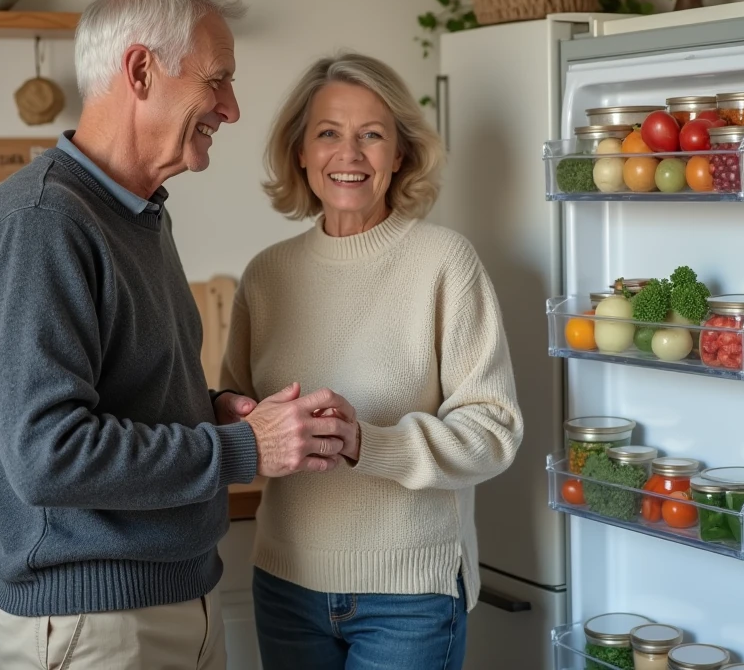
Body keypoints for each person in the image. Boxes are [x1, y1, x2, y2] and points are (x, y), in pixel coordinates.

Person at [0, 0, 359, 670]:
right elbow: (49, 455)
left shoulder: (136, 216)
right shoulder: (44, 222)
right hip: (95, 624)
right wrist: (246, 451)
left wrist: (213, 414)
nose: (231, 109)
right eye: (217, 80)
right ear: (141, 70)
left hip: (174, 600)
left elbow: (122, 396)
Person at [218, 53, 525, 670]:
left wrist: (365, 442)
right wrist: (240, 413)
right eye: (328, 132)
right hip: (286, 581)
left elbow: (495, 432)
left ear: (400, 155)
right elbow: (233, 410)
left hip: (409, 593)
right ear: (300, 153)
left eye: (372, 135)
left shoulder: (446, 264)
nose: (349, 154)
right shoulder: (266, 275)